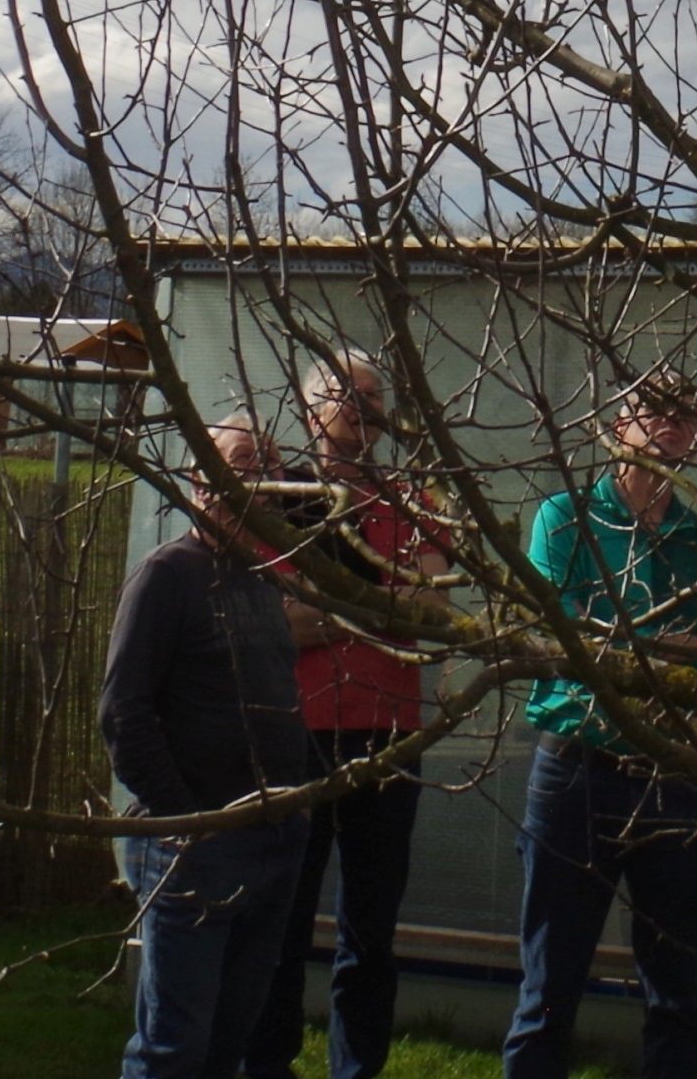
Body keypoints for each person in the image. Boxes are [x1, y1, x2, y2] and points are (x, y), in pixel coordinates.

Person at [503, 376, 697, 1079]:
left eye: (685, 416)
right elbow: (552, 638)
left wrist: (654, 655)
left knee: (674, 987)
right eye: (655, 413)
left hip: (676, 775)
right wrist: (653, 653)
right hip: (578, 770)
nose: (670, 426)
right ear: (619, 426)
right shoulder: (566, 518)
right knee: (548, 984)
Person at [251, 356, 443, 1079]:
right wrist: (376, 608)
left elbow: (434, 612)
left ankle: (356, 1068)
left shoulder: (414, 502)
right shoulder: (283, 501)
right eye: (344, 395)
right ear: (308, 411)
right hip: (298, 732)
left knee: (372, 927)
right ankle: (266, 1061)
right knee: (283, 918)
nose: (362, 407)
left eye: (373, 396)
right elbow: (278, 624)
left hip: (390, 733)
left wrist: (333, 606)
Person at [104, 419, 312, 1079]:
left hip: (273, 837)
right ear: (200, 480)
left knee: (230, 1040)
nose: (260, 473)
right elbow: (123, 712)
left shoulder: (258, 577)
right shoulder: (167, 575)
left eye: (270, 461)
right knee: (174, 1049)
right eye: (242, 459)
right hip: (197, 843)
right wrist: (186, 819)